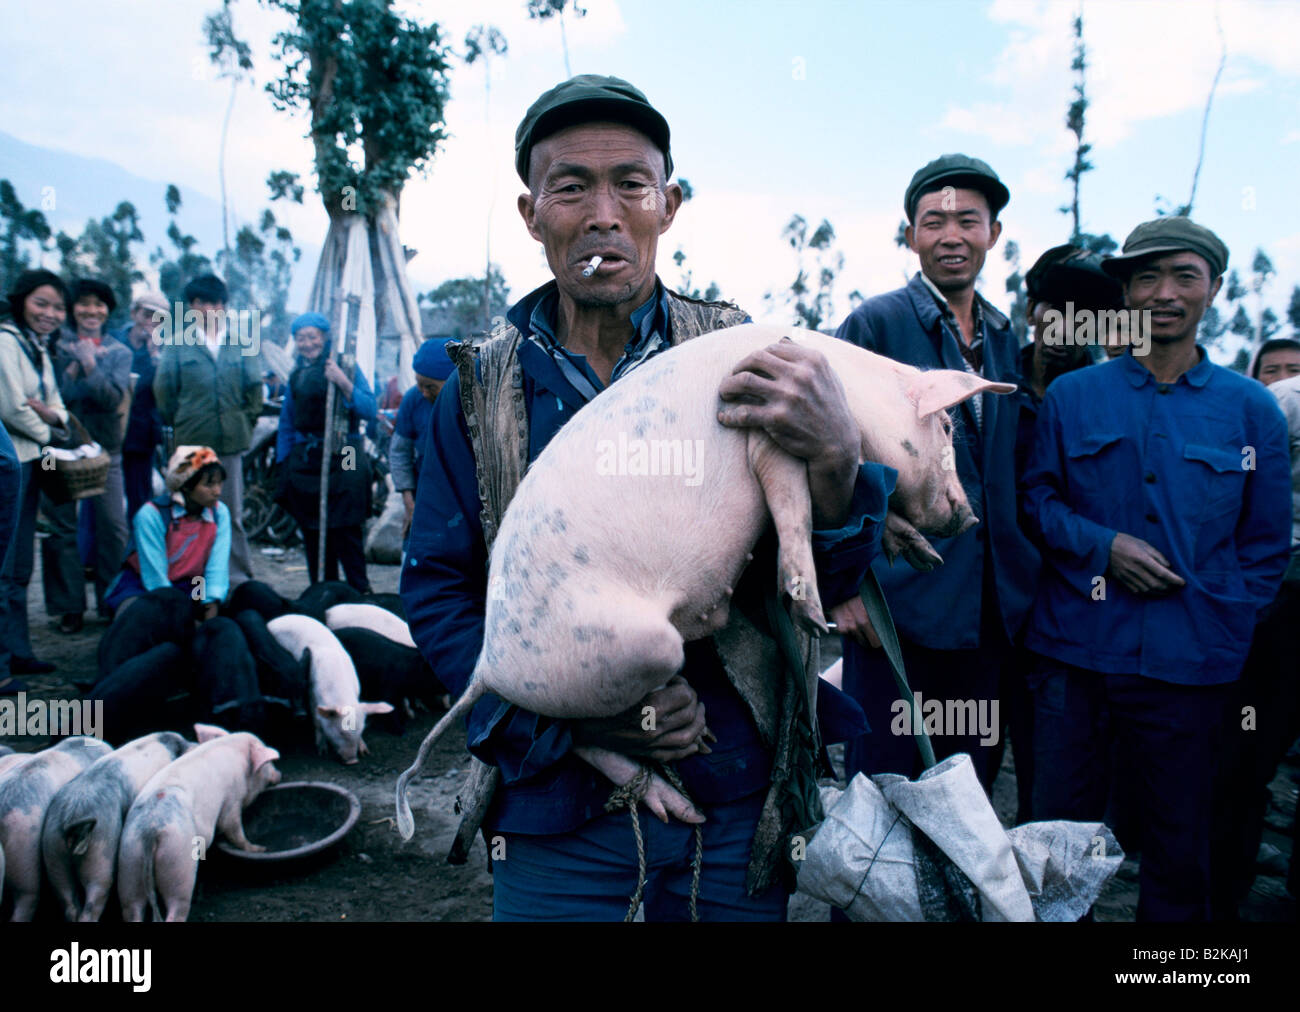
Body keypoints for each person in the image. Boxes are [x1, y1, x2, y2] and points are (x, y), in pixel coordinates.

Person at [400, 74, 889, 922]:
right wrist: (581, 729)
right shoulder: (478, 395)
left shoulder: (748, 358)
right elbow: (442, 596)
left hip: (738, 793)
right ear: (531, 214)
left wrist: (841, 458)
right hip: (557, 813)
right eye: (571, 187)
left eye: (631, 183)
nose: (603, 213)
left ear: (668, 204)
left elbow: (823, 574)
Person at [1021, 216, 1291, 921]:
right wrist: (1103, 546)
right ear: (1125, 292)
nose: (1164, 292)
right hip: (1074, 660)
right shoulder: (1075, 397)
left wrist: (1221, 624)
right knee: (1054, 845)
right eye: (1146, 277)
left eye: (1184, 276)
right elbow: (1037, 502)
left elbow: (1265, 548)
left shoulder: (1252, 411)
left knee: (1178, 852)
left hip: (1189, 672)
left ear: (1213, 290)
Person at [833, 154, 1040, 791]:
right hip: (898, 613)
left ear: (993, 236)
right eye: (933, 222)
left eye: (968, 222)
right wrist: (842, 586)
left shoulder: (1008, 337)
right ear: (911, 236)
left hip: (989, 616)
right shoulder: (877, 324)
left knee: (966, 797)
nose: (951, 236)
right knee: (886, 801)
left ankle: (952, 896)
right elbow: (822, 451)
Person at [154, 274, 263, 587]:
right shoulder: (176, 344)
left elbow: (254, 391)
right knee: (186, 512)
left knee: (230, 512)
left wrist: (244, 422)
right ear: (191, 307)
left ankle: (236, 578)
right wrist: (186, 423)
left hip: (229, 446)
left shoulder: (241, 342)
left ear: (224, 306)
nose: (209, 309)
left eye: (216, 303)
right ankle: (185, 574)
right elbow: (165, 393)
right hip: (191, 444)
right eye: (201, 303)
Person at [42, 278, 133, 631]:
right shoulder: (53, 346)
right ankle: (68, 608)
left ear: (107, 309)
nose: (91, 311)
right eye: (83, 304)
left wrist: (92, 365)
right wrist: (76, 363)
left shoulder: (119, 352)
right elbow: (53, 397)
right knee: (61, 527)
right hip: (57, 449)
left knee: (112, 526)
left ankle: (111, 600)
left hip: (105, 451)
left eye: (99, 304)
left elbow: (112, 399)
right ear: (71, 309)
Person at [0, 269, 70, 691]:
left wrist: (52, 417)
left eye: (57, 307)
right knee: (5, 562)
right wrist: (50, 430)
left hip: (31, 461)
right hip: (11, 461)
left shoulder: (37, 347)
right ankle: (3, 663)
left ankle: (19, 651)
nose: (49, 313)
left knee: (21, 562)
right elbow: (11, 406)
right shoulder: (7, 341)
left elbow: (55, 402)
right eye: (41, 303)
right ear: (22, 301)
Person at [275, 311, 377, 592]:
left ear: (325, 337)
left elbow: (370, 409)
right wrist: (284, 462)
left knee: (346, 524)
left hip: (346, 451)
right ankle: (324, 591)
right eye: (301, 338)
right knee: (313, 530)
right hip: (308, 456)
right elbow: (287, 423)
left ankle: (360, 591)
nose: (307, 344)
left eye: (312, 337)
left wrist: (343, 382)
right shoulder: (296, 375)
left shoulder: (347, 365)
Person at [103, 445, 231, 618]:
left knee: (206, 612)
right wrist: (174, 610)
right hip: (145, 582)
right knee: (135, 615)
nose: (217, 491)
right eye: (209, 485)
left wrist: (210, 602)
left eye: (219, 483)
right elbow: (154, 573)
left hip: (194, 583)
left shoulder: (219, 513)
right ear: (186, 486)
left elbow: (217, 564)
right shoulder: (151, 514)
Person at [390, 337, 453, 543]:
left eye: (431, 387)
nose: (424, 393)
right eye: (419, 385)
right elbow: (400, 452)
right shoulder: (412, 399)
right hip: (424, 490)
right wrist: (408, 501)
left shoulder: (475, 401)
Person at [113, 290, 169, 518]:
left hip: (141, 437)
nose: (152, 322)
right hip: (111, 433)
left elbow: (163, 396)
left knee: (140, 499)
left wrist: (156, 359)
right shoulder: (114, 341)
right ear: (135, 313)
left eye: (159, 318)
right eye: (148, 314)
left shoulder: (163, 352)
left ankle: (135, 550)